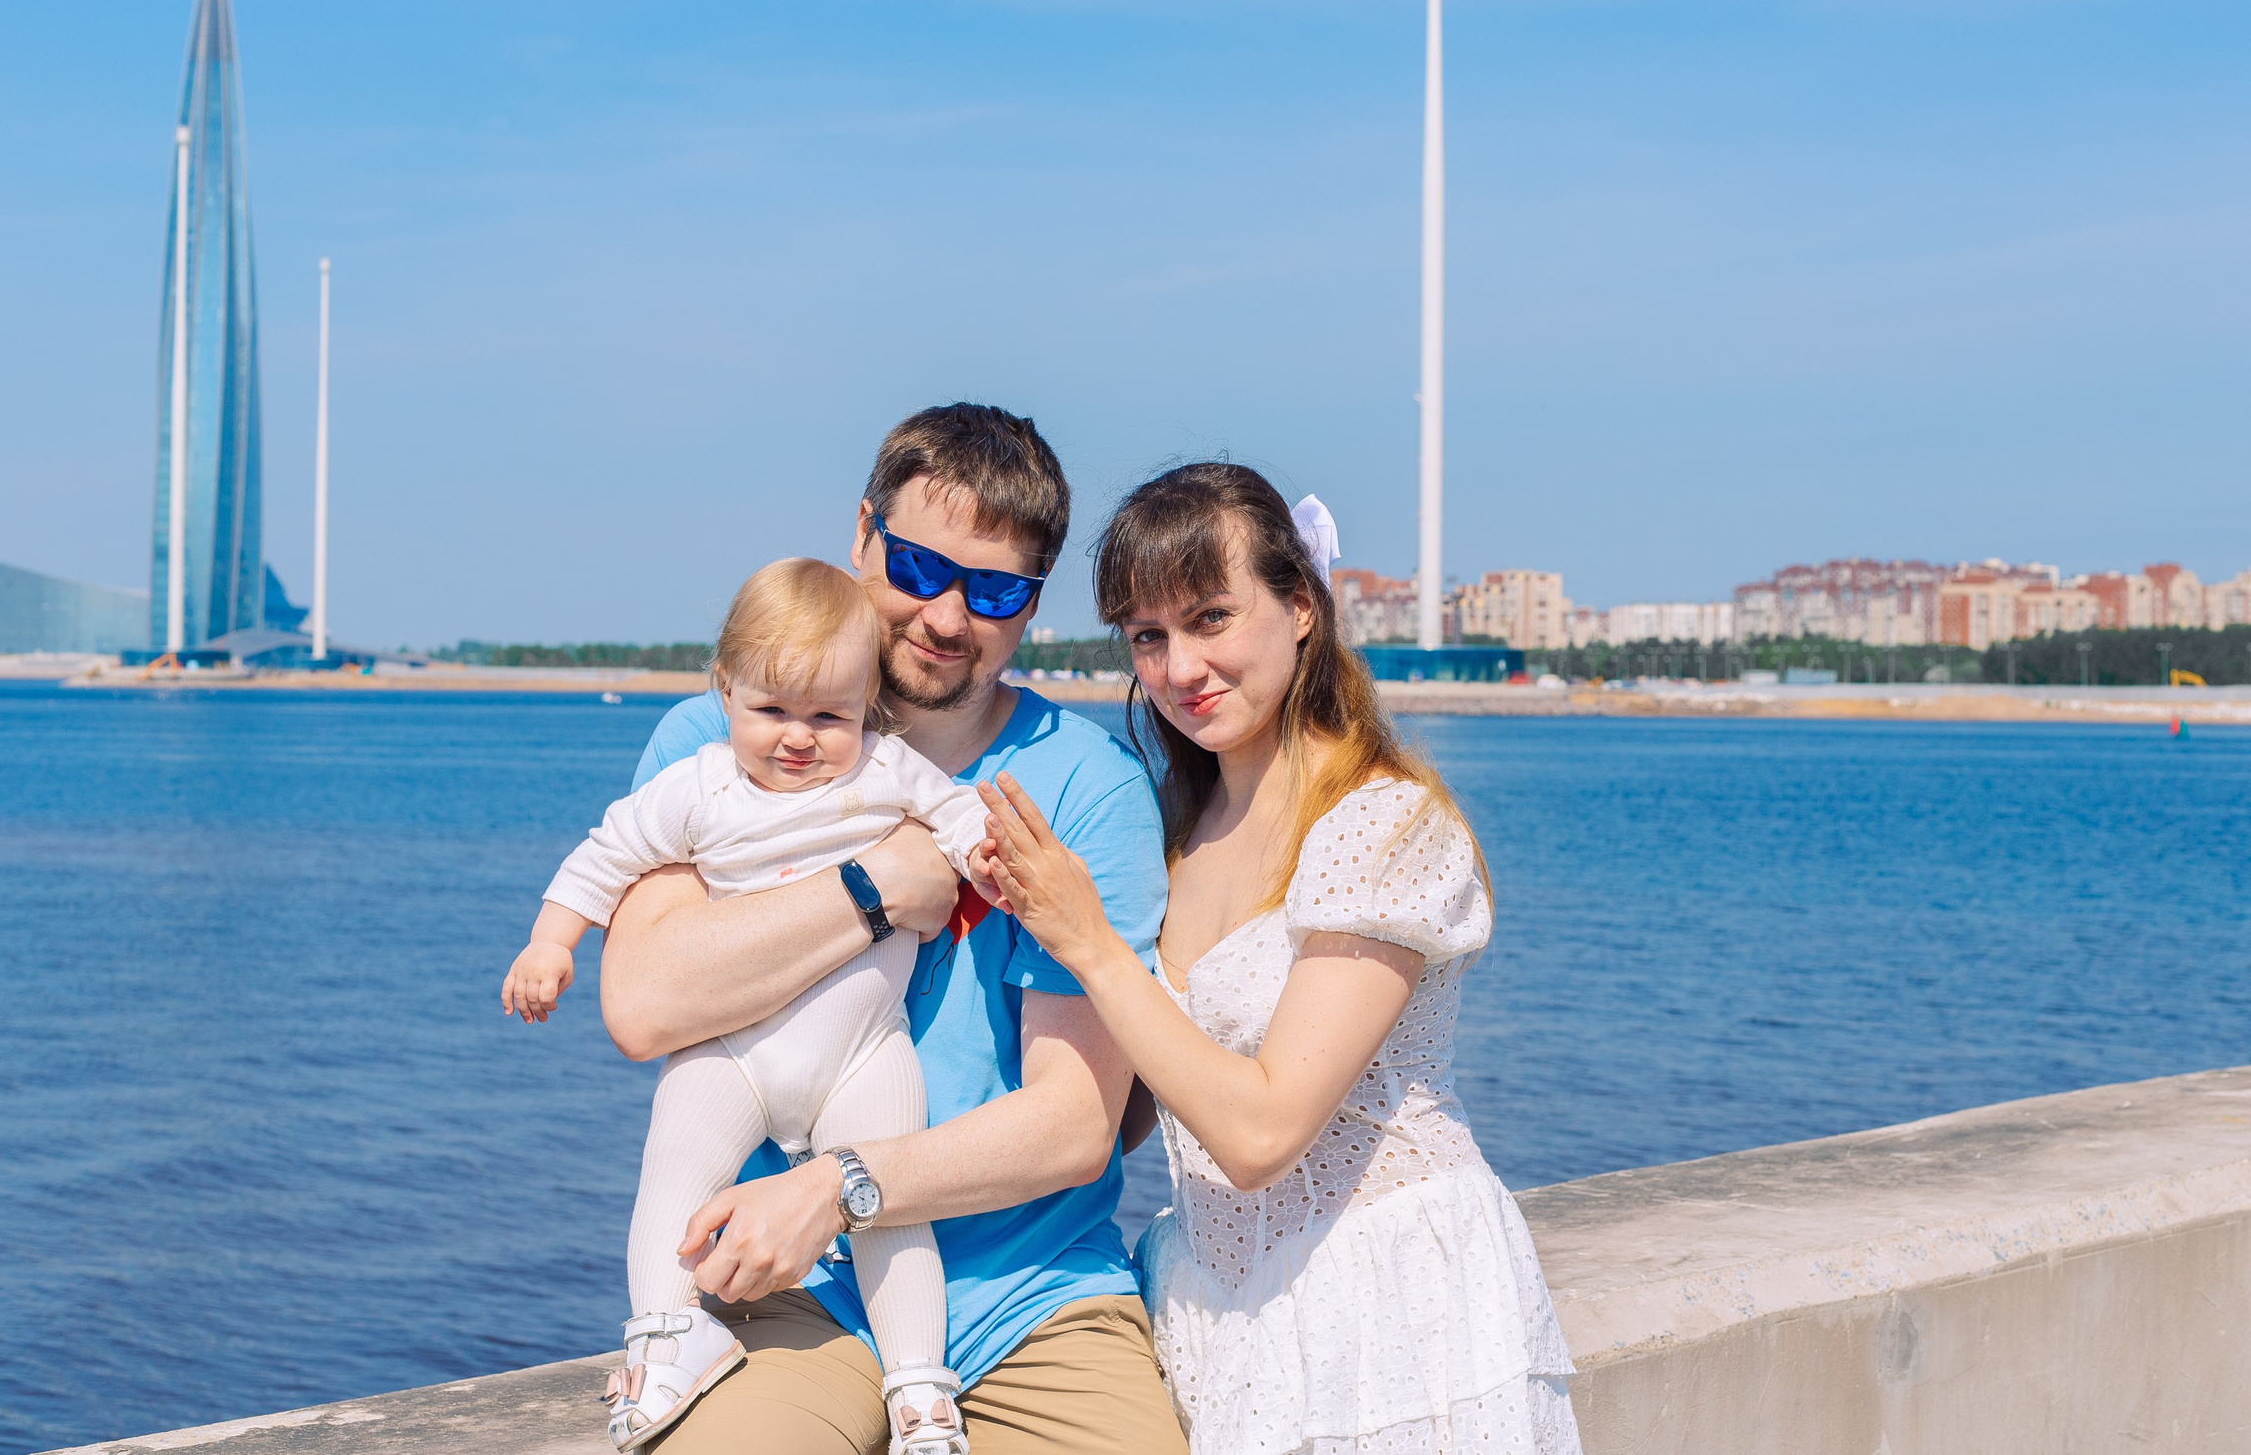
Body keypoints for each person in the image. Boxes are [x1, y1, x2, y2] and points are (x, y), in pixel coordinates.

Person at [594, 404, 1188, 1455]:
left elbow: (1074, 1123)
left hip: (1028, 1297)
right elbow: (643, 1006)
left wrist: (836, 1188)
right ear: (862, 535)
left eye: (995, 589)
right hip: (787, 1294)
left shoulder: (1087, 787)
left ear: (1033, 605)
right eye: (917, 566)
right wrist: (876, 886)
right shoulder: (718, 742)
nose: (947, 616)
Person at [971, 462, 1584, 1455]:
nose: (1178, 668)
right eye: (1148, 636)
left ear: (1300, 606)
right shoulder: (1171, 834)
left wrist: (1087, 941)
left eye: (1211, 617)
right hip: (1217, 1316)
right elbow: (1135, 1111)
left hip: (1386, 1311)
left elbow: (1260, 1135)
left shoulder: (1381, 824)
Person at [502, 558, 993, 1453]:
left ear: (868, 707)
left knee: (891, 1207)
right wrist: (550, 943)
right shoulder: (696, 786)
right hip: (732, 1052)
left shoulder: (886, 769)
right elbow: (602, 859)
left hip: (863, 1055)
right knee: (672, 1173)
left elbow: (958, 816)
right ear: (724, 690)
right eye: (772, 711)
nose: (799, 738)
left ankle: (920, 1385)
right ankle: (663, 1332)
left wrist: (985, 857)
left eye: (829, 716)